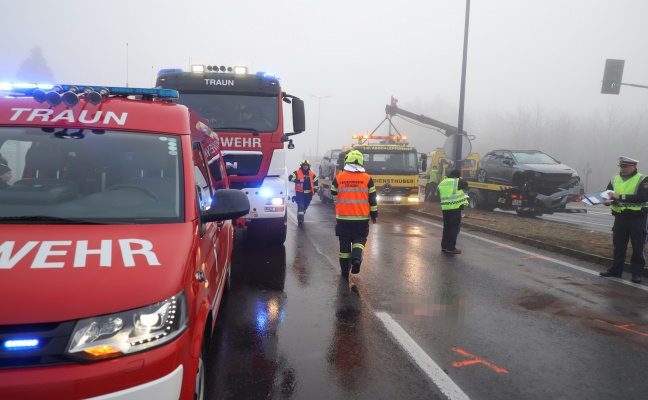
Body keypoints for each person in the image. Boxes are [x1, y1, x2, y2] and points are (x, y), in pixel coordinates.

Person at [599, 156, 648, 284]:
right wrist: (607, 201)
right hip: (620, 217)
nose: (623, 169)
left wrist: (619, 196)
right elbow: (608, 194)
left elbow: (643, 197)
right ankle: (616, 270)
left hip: (637, 218)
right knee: (619, 246)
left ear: (634, 167)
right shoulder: (614, 179)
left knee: (638, 247)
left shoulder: (643, 179)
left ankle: (636, 274)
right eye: (621, 166)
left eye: (626, 167)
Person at [331, 150, 378, 277]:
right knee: (359, 239)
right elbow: (372, 199)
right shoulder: (367, 178)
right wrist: (374, 214)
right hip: (361, 218)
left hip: (343, 218)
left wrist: (337, 202)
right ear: (361, 162)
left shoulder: (339, 177)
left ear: (347, 161)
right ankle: (356, 259)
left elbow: (333, 191)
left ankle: (345, 270)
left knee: (344, 243)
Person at [439, 169, 469, 254]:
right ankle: (451, 248)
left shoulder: (443, 182)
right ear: (457, 176)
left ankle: (444, 246)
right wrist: (461, 178)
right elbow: (465, 184)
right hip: (454, 208)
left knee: (447, 228)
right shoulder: (457, 181)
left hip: (445, 208)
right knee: (454, 229)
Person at [289, 160, 319, 224]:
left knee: (305, 206)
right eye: (304, 165)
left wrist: (315, 190)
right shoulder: (297, 172)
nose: (305, 167)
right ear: (302, 166)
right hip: (300, 192)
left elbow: (316, 181)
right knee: (301, 205)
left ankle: (300, 213)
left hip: (309, 194)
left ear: (308, 166)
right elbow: (290, 177)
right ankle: (300, 220)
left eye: (306, 165)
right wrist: (298, 180)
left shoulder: (312, 173)